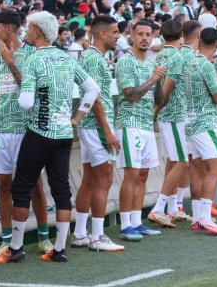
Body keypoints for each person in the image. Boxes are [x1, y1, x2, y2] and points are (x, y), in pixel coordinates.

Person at [0, 11, 100, 264]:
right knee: (61, 189)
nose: (26, 32)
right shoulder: (66, 58)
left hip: (39, 132)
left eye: (29, 28)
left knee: (21, 187)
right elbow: (92, 88)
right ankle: (59, 248)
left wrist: (30, 94)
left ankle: (15, 248)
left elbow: (26, 103)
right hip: (63, 133)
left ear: (37, 32)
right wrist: (76, 118)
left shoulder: (33, 61)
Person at [0, 11, 51, 262]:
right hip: (2, 129)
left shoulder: (32, 55)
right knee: (3, 185)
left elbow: (31, 89)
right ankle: (6, 240)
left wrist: (11, 62)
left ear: (10, 29)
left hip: (26, 128)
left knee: (34, 184)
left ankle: (43, 236)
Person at [72, 15, 122, 252]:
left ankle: (81, 232)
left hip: (91, 126)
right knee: (104, 179)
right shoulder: (93, 59)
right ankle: (98, 236)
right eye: (114, 32)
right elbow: (95, 98)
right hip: (96, 126)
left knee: (91, 180)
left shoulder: (93, 57)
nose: (117, 35)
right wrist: (107, 131)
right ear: (102, 34)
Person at [114, 20, 165, 242]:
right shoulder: (126, 62)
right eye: (140, 34)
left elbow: (159, 99)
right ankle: (125, 225)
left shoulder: (151, 64)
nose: (145, 38)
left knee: (143, 175)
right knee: (132, 174)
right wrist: (153, 78)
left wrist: (160, 80)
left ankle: (136, 221)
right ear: (131, 37)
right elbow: (130, 95)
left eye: (148, 35)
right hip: (129, 123)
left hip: (146, 124)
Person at [150, 20, 199, 228]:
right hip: (174, 114)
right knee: (181, 162)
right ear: (180, 35)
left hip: (169, 114)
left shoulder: (159, 55)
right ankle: (158, 209)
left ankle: (171, 208)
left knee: (173, 161)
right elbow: (167, 88)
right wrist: (157, 110)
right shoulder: (177, 56)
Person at [183, 28, 217, 235]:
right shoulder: (206, 66)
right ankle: (205, 216)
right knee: (216, 167)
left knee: (199, 170)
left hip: (190, 121)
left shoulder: (189, 62)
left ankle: (199, 217)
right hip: (205, 123)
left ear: (200, 40)